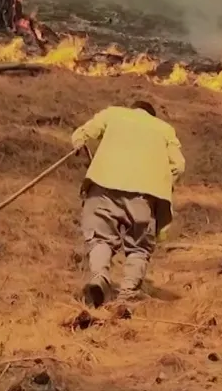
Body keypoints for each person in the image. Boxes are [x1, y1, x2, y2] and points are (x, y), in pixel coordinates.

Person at [70, 99, 186, 308]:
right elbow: (178, 165)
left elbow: (82, 134)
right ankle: (127, 295)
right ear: (152, 116)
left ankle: (99, 278)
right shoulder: (164, 129)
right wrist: (162, 184)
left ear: (133, 109)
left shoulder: (113, 113)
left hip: (103, 185)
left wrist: (79, 144)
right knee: (139, 248)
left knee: (100, 239)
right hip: (143, 195)